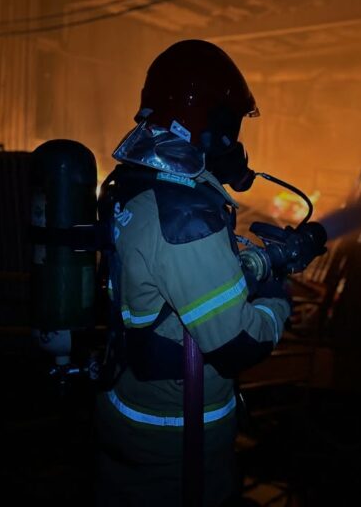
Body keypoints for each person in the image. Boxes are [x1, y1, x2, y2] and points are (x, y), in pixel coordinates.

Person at [93, 39, 291, 507]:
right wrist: (279, 297)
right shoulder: (185, 213)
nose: (234, 142)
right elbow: (235, 344)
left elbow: (181, 281)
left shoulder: (136, 183)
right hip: (176, 455)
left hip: (133, 421)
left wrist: (263, 256)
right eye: (229, 125)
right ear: (204, 123)